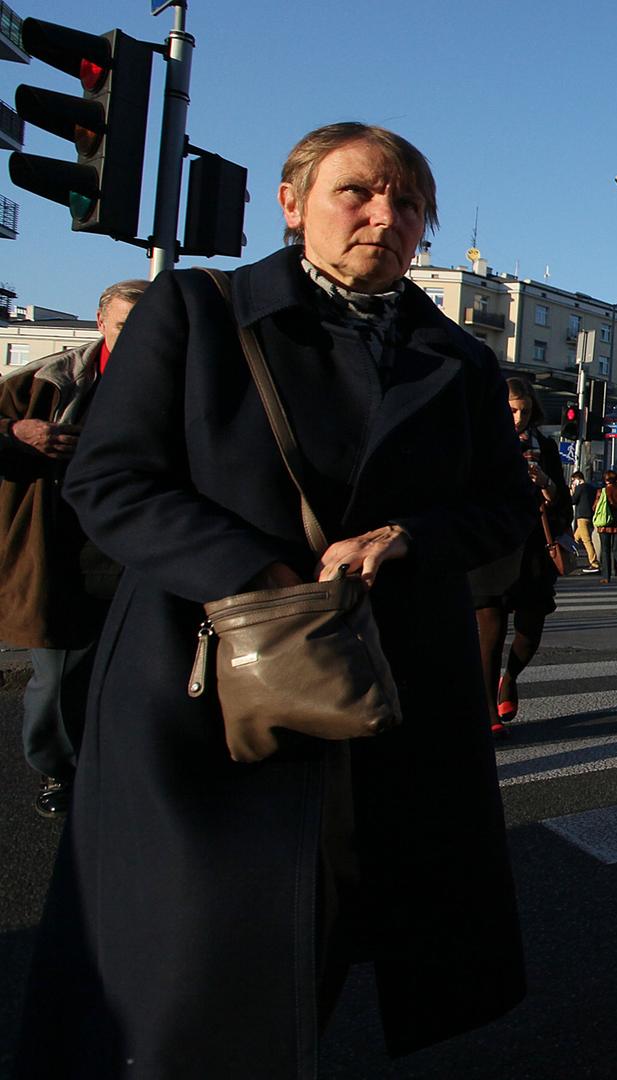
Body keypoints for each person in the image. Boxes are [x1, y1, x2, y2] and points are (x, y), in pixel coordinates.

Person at [16, 122, 530, 1076]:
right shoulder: (198, 311)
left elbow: (503, 511)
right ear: (292, 204)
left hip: (385, 686)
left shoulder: (456, 355)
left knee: (337, 913)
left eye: (409, 203)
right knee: (188, 950)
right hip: (206, 674)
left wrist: (410, 538)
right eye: (358, 193)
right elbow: (111, 480)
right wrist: (261, 577)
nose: (385, 216)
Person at [0, 278, 145, 818]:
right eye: (126, 326)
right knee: (59, 679)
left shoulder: (183, 377)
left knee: (147, 671)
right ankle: (60, 771)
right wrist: (16, 434)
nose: (137, 339)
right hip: (65, 551)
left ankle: (127, 768)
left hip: (147, 548)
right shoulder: (46, 381)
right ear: (101, 321)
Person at [470, 377, 567, 737]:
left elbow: (562, 502)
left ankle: (509, 678)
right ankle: (487, 714)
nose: (518, 417)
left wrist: (545, 482)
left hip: (531, 550)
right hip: (491, 548)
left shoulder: (546, 445)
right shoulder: (482, 442)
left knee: (530, 630)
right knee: (489, 635)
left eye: (525, 410)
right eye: (512, 410)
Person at [570, 468, 600, 572]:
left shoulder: (580, 488)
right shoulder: (591, 488)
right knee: (574, 539)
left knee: (586, 541)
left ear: (577, 479)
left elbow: (573, 501)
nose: (573, 483)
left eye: (573, 480)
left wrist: (573, 491)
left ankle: (594, 563)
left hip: (581, 517)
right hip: (590, 516)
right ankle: (569, 558)